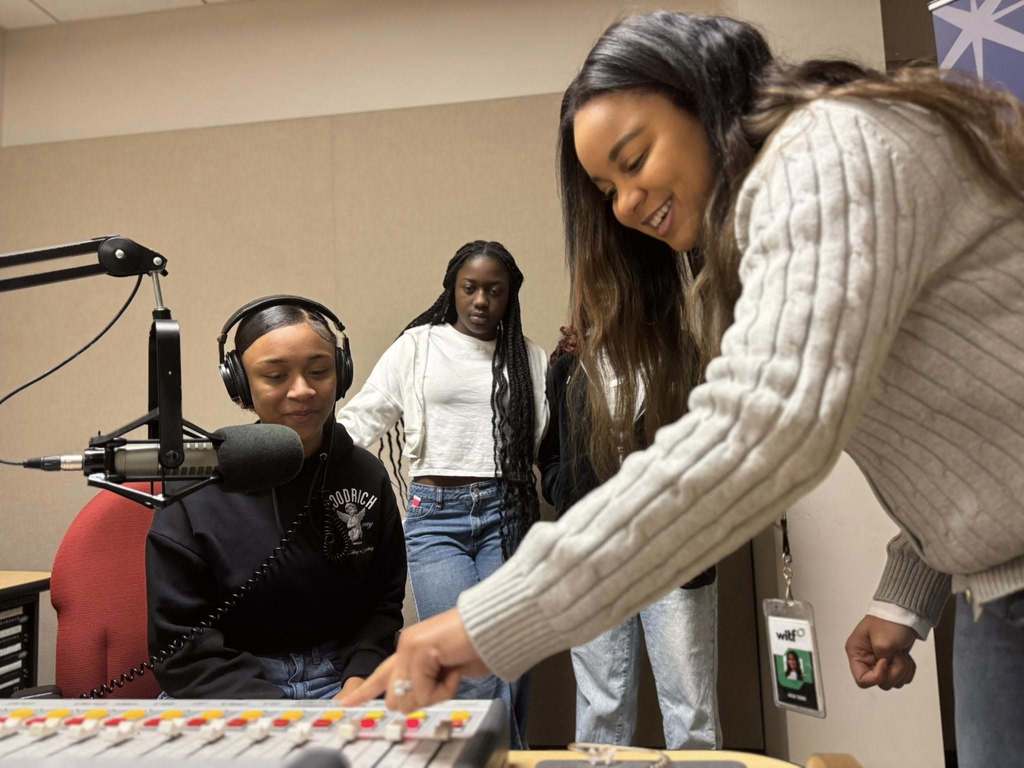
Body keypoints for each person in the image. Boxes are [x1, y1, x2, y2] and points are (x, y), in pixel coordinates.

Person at [342, 12, 1024, 767]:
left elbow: (760, 434)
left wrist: (490, 621)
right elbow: (970, 419)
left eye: (635, 161)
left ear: (706, 99)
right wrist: (912, 585)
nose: (626, 205)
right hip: (992, 585)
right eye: (607, 190)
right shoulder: (747, 242)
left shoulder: (828, 146)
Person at [337, 240, 547, 747]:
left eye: (493, 291)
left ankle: (488, 758)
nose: (480, 301)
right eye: (469, 288)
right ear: (452, 289)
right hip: (436, 517)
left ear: (509, 296)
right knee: (467, 660)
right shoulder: (418, 346)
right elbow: (366, 416)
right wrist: (302, 452)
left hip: (509, 516)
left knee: (509, 659)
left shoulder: (529, 359)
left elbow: (539, 436)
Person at [147, 296, 406, 699]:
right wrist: (283, 719)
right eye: (276, 376)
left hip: (343, 678)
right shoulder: (198, 488)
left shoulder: (364, 474)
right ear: (240, 384)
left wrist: (359, 684)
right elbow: (181, 650)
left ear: (343, 372)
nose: (302, 390)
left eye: (319, 370)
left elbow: (383, 605)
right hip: (230, 684)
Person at [539, 327, 719, 748]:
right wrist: (566, 491)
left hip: (673, 551)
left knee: (690, 711)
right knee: (602, 710)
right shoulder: (569, 364)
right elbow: (550, 453)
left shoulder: (683, 354)